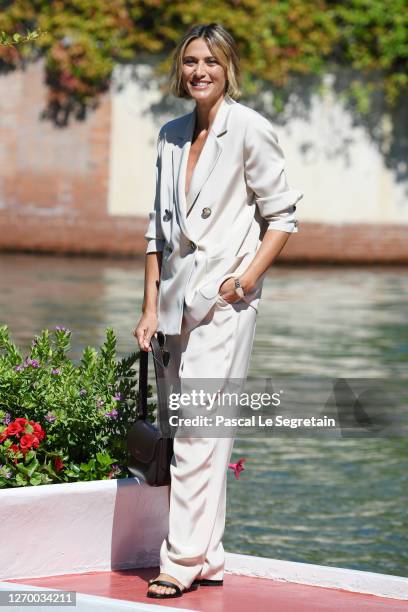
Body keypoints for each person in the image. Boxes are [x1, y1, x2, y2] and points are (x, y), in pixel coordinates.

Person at [134, 22, 303, 599]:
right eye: (189, 61)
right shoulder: (170, 134)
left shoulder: (251, 129)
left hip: (225, 305)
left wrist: (244, 280)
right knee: (198, 430)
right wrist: (149, 307)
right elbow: (157, 230)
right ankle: (209, 556)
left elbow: (282, 218)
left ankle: (179, 561)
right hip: (176, 304)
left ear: (228, 67)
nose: (199, 71)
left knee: (199, 436)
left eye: (210, 61)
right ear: (180, 70)